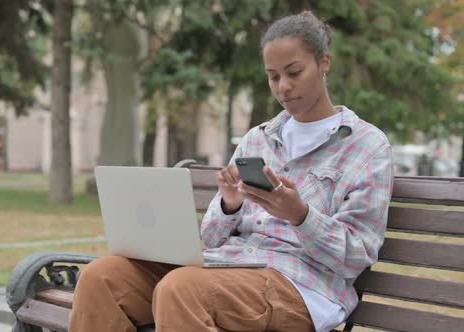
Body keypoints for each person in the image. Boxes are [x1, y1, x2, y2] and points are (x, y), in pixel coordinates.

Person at [69, 11, 394, 332]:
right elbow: (210, 237)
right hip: (229, 267)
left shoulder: (367, 147)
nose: (283, 87)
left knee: (181, 288)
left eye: (294, 72)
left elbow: (358, 255)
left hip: (302, 286)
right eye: (273, 76)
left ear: (324, 63)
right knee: (101, 278)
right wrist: (230, 205)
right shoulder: (258, 138)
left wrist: (300, 215)